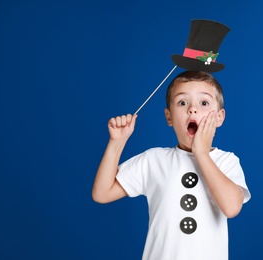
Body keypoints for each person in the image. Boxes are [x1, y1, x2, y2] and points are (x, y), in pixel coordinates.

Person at [92, 70, 251, 260]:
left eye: (204, 103)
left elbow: (232, 208)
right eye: (182, 102)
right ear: (169, 117)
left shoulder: (227, 161)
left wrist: (201, 153)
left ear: (219, 117)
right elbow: (102, 193)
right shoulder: (153, 160)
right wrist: (117, 143)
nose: (192, 109)